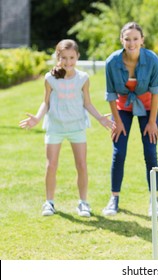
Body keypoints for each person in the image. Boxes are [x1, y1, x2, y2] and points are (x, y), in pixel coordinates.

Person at [19, 39, 113, 217]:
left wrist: (100, 118)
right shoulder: (50, 78)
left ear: (77, 56)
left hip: (76, 127)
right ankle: (49, 202)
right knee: (51, 165)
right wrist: (37, 119)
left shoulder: (83, 78)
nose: (68, 62)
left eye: (71, 57)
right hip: (55, 127)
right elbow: (45, 102)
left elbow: (87, 103)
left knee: (82, 165)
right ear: (58, 58)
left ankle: (83, 203)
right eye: (64, 58)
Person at [102, 22, 158, 217]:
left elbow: (155, 93)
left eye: (135, 38)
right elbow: (111, 94)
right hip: (122, 109)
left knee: (151, 152)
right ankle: (114, 198)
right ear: (121, 40)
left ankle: (155, 200)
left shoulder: (152, 60)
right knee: (118, 153)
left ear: (142, 40)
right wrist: (117, 121)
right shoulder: (112, 62)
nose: (131, 42)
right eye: (127, 39)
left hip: (147, 108)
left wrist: (152, 122)